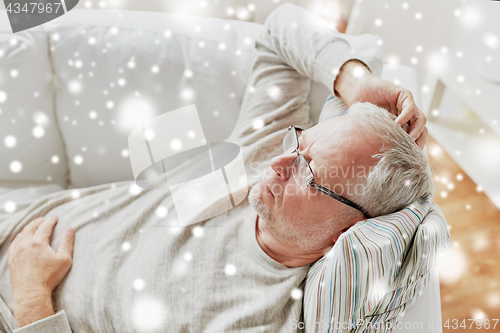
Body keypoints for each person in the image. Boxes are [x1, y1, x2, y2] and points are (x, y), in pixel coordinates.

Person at [3, 4, 431, 333]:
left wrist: (31, 293)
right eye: (300, 142)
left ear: (343, 234)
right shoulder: (263, 158)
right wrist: (353, 80)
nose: (280, 164)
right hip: (25, 215)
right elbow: (279, 28)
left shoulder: (255, 318)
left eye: (310, 174)